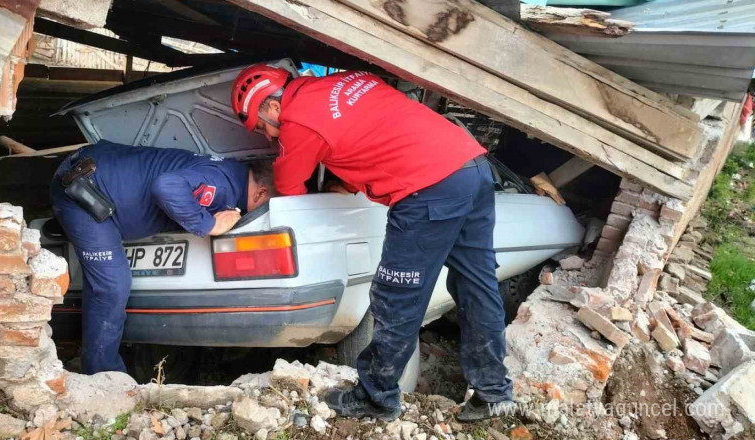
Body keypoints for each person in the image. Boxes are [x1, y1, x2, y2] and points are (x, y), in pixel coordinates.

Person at [231, 65, 514, 422]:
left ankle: (376, 397)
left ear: (272, 107)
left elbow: (290, 192)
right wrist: (349, 182)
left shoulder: (297, 122)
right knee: (475, 282)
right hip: (470, 167)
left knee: (396, 295)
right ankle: (494, 392)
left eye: (262, 127)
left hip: (427, 189)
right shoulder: (347, 79)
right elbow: (372, 132)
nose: (270, 136)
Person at [50, 140, 276, 374]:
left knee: (107, 284)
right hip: (82, 189)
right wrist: (208, 225)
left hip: (102, 173)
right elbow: (167, 186)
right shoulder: (221, 184)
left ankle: (93, 361)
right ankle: (102, 376)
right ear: (261, 193)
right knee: (112, 286)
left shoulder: (231, 175)